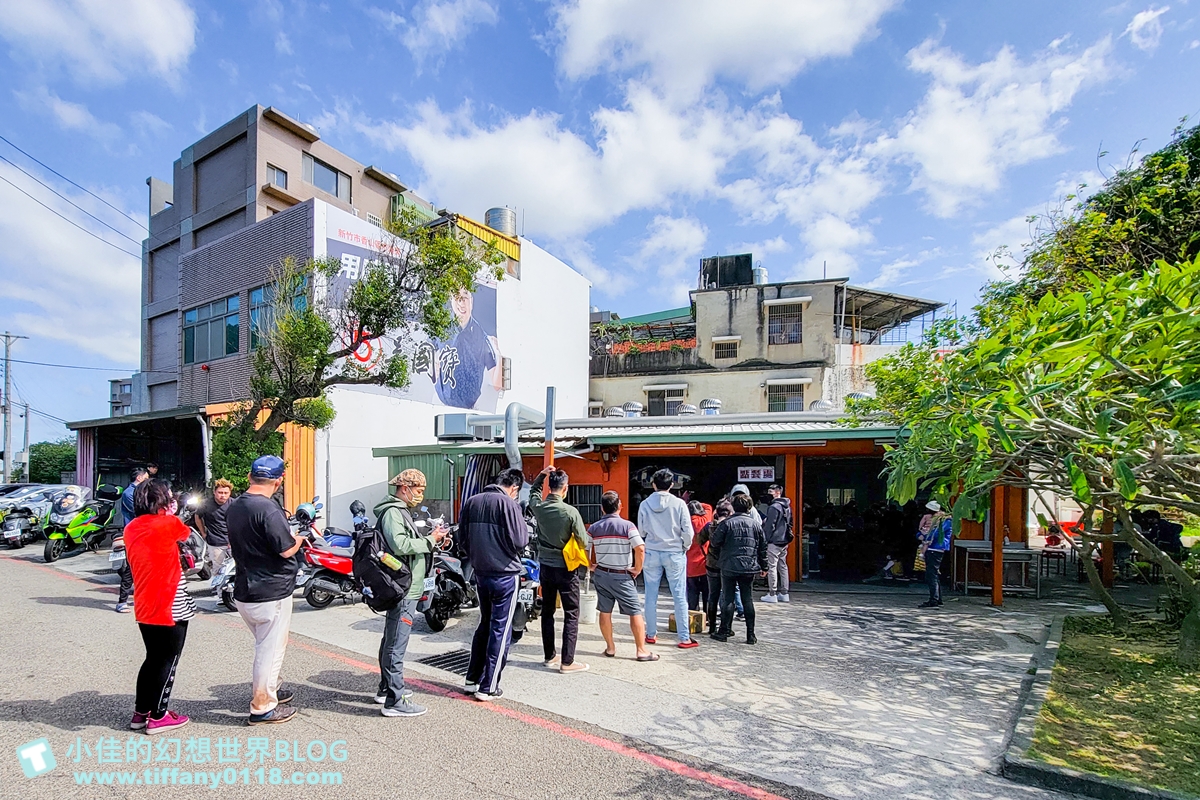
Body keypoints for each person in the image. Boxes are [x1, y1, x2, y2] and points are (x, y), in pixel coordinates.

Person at [226, 455, 304, 725]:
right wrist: (299, 539)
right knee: (269, 650)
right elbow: (286, 549)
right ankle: (263, 707)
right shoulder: (269, 509)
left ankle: (272, 689)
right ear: (279, 481)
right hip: (271, 590)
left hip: (245, 588)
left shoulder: (236, 505)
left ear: (250, 477)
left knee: (266, 645)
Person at [373, 468, 447, 717]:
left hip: (404, 584)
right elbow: (400, 545)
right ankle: (395, 700)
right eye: (419, 490)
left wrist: (431, 539)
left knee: (391, 638)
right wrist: (431, 540)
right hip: (403, 586)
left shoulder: (399, 510)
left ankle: (387, 688)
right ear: (405, 488)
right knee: (396, 643)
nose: (421, 495)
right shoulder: (393, 513)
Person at [124, 478, 196, 734]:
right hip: (170, 602)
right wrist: (175, 514)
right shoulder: (169, 523)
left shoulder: (131, 527)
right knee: (168, 660)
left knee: (152, 659)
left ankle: (141, 712)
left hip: (144, 602)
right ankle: (159, 715)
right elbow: (190, 538)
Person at [460, 468, 530, 700]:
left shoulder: (472, 501)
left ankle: (472, 679)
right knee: (501, 629)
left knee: (484, 624)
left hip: (481, 573)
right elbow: (521, 540)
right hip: (505, 575)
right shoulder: (509, 504)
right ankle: (488, 686)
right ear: (515, 488)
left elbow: (463, 540)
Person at [529, 466, 590, 673]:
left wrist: (542, 475)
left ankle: (549, 656)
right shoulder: (570, 512)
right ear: (565, 488)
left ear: (550, 487)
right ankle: (568, 661)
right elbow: (583, 541)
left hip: (545, 566)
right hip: (566, 567)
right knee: (571, 613)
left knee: (548, 611)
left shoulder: (539, 507)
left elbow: (533, 493)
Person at [589, 492, 656, 662]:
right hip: (622, 576)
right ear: (620, 506)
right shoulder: (628, 526)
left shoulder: (594, 528)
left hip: (601, 574)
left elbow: (584, 548)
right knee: (635, 612)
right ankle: (641, 650)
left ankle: (610, 648)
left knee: (605, 612)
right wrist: (637, 569)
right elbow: (640, 548)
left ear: (602, 508)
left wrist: (590, 565)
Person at [638, 469, 698, 649]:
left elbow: (641, 531)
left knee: (650, 595)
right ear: (672, 484)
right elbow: (688, 531)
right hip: (674, 552)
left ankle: (650, 634)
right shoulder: (679, 504)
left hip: (651, 551)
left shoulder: (645, 504)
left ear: (653, 484)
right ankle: (684, 638)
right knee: (679, 596)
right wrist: (684, 546)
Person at [711, 494, 768, 644]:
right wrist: (764, 566)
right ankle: (751, 635)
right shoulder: (756, 525)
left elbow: (714, 542)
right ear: (749, 507)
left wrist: (720, 556)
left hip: (729, 565)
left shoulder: (727, 523)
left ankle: (724, 631)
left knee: (728, 598)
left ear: (734, 507)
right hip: (749, 566)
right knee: (747, 599)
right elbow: (763, 547)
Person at [434, 288, 502, 410]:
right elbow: (429, 348)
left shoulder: (482, 337)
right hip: (439, 403)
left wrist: (499, 355)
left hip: (469, 410)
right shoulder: (441, 327)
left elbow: (497, 384)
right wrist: (434, 361)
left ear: (471, 301)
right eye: (457, 297)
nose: (461, 303)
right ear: (451, 300)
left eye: (465, 297)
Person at [116, 467, 150, 613]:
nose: (148, 481)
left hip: (145, 533)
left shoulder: (142, 492)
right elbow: (138, 512)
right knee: (131, 568)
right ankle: (122, 601)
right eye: (146, 478)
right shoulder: (129, 493)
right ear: (139, 478)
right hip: (134, 535)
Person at [697, 500, 733, 637]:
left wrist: (706, 553)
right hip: (727, 564)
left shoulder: (709, 526)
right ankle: (726, 627)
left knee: (713, 595)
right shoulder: (731, 525)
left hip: (712, 564)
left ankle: (712, 626)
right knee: (727, 596)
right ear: (730, 513)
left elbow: (699, 540)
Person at [760, 484, 793, 604]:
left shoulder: (774, 507)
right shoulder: (787, 506)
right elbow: (790, 523)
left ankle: (772, 593)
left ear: (778, 492)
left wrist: (765, 540)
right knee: (783, 566)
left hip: (774, 541)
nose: (769, 494)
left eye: (771, 491)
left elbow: (770, 526)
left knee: (772, 567)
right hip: (784, 540)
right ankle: (784, 593)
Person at [918, 501, 952, 608]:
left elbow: (936, 533)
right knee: (934, 574)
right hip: (934, 548)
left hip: (936, 548)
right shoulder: (941, 520)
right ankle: (937, 598)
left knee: (931, 574)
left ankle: (934, 599)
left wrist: (923, 535)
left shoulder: (945, 521)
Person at [195, 478, 234, 571]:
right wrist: (203, 533)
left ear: (230, 493)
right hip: (215, 542)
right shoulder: (206, 504)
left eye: (226, 493)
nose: (223, 495)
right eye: (220, 492)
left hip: (233, 542)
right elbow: (197, 516)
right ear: (214, 492)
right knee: (218, 570)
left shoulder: (234, 504)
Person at [686, 500, 712, 612]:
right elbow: (708, 506)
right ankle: (707, 616)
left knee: (692, 593)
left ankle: (693, 616)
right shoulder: (706, 519)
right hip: (704, 562)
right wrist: (697, 504)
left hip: (690, 565)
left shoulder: (686, 522)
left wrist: (686, 504)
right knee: (707, 593)